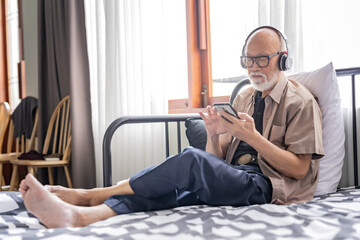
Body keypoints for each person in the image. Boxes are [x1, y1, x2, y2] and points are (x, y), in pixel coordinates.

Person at [19, 26, 324, 228]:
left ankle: (91, 195)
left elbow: (299, 170)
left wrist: (253, 138)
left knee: (189, 159)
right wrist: (215, 137)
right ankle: (82, 216)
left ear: (283, 60)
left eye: (262, 60)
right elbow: (215, 163)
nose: (253, 68)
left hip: (268, 187)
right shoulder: (244, 96)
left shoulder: (301, 102)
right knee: (168, 187)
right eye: (248, 60)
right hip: (235, 179)